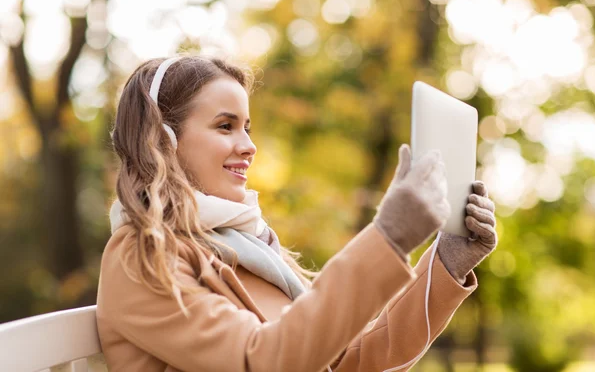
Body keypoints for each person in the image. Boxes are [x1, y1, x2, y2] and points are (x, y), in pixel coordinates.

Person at [96, 55, 498, 372]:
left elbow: (352, 364)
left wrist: (447, 262)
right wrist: (388, 236)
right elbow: (263, 361)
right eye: (225, 126)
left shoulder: (249, 249)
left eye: (247, 127)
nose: (249, 145)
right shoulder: (142, 254)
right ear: (164, 141)